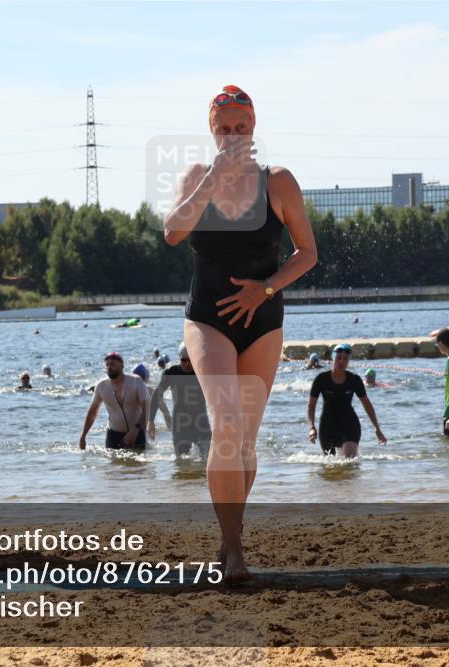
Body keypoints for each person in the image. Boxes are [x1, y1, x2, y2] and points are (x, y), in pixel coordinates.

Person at [164, 85, 318, 583]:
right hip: (207, 317)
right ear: (212, 131)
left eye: (241, 128)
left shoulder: (278, 182)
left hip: (262, 320)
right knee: (225, 423)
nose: (233, 136)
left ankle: (230, 538)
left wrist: (267, 288)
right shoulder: (195, 176)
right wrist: (210, 179)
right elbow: (172, 231)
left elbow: (307, 253)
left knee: (245, 442)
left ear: (254, 129)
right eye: (224, 129)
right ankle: (234, 551)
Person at [307, 344, 386, 457]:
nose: (341, 361)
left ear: (348, 361)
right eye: (339, 357)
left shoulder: (354, 380)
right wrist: (312, 428)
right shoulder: (321, 379)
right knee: (330, 467)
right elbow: (311, 405)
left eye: (345, 359)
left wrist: (377, 428)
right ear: (333, 358)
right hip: (327, 426)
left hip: (349, 424)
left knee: (350, 460)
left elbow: (367, 404)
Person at [148, 342, 211, 458]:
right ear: (179, 358)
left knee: (207, 460)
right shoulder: (171, 373)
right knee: (181, 462)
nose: (187, 364)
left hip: (202, 424)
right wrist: (150, 421)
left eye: (190, 360)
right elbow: (157, 395)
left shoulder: (203, 372)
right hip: (180, 426)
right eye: (184, 360)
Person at [79, 352, 149, 450]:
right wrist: (83, 435)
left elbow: (147, 410)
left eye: (112, 364)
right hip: (113, 435)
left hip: (136, 432)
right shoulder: (101, 386)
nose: (109, 367)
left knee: (139, 464)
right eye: (107, 364)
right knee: (113, 465)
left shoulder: (136, 382)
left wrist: (136, 430)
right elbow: (92, 413)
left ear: (122, 365)